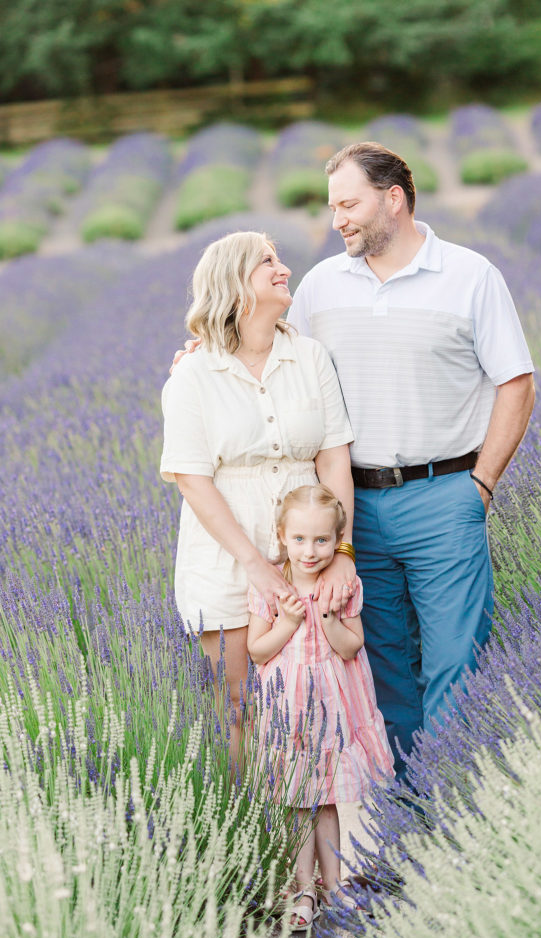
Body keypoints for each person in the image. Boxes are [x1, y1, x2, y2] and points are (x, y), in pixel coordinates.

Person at [286, 143, 536, 776]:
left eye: (350, 204)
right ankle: (408, 817)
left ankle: (458, 808)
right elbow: (276, 364)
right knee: (383, 665)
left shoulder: (470, 275)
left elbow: (517, 383)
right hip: (353, 510)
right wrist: (199, 352)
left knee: (457, 662)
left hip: (444, 495)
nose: (337, 218)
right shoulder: (319, 287)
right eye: (333, 205)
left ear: (392, 198)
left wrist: (479, 486)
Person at [160, 231, 356, 765]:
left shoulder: (310, 357)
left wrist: (342, 554)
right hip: (224, 565)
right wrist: (255, 565)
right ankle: (261, 839)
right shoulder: (193, 375)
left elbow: (334, 457)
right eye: (268, 261)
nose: (284, 268)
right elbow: (192, 479)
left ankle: (317, 835)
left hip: (307, 560)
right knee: (241, 709)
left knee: (309, 706)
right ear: (234, 283)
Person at [247, 484, 394, 929]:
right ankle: (303, 890)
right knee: (296, 800)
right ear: (281, 536)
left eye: (322, 540)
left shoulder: (344, 585)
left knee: (327, 797)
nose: (310, 551)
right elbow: (257, 651)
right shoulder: (270, 587)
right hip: (289, 703)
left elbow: (352, 647)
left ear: (338, 540)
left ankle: (334, 886)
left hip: (333, 700)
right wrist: (290, 621)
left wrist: (326, 616)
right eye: (299, 540)